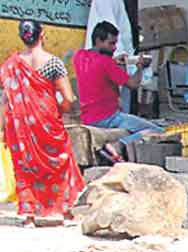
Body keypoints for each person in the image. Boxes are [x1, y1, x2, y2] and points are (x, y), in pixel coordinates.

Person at [0, 21, 84, 227]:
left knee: (24, 166)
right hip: (48, 123)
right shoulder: (53, 63)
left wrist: (2, 128)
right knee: (59, 163)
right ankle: (65, 213)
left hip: (20, 127)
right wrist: (61, 110)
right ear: (42, 34)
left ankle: (29, 216)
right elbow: (69, 98)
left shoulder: (11, 65)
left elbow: (5, 99)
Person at [74, 22, 160, 161]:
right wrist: (140, 67)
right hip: (108, 118)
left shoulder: (79, 56)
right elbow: (133, 84)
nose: (114, 48)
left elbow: (96, 64)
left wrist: (114, 61)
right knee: (157, 131)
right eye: (111, 43)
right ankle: (119, 144)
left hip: (88, 117)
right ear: (98, 41)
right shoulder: (107, 63)